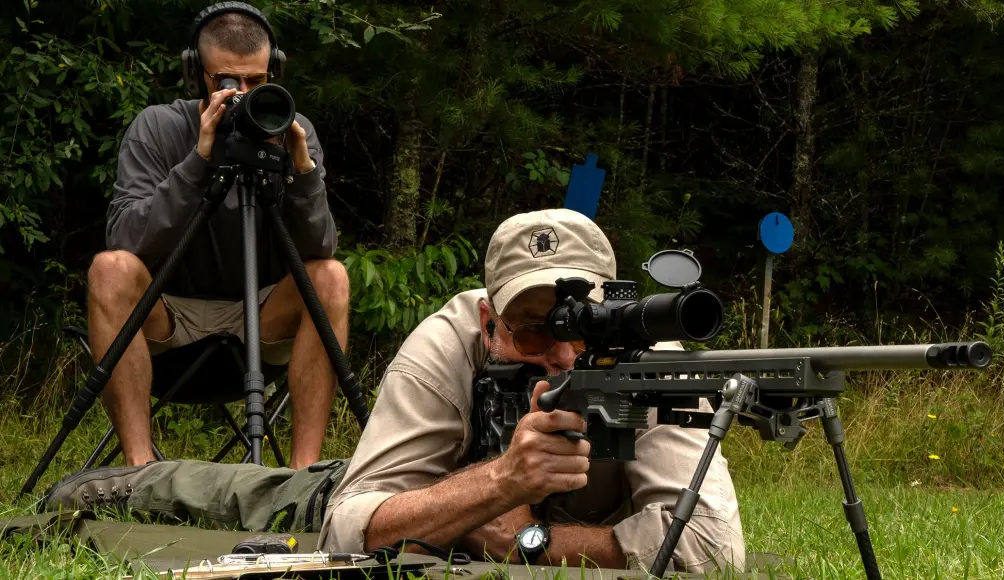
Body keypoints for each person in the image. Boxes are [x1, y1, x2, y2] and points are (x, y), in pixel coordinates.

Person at [45, 209, 745, 575]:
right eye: (532, 332)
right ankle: (104, 486)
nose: (559, 355)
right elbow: (349, 524)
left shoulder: (653, 362)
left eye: (580, 331)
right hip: (376, 489)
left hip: (454, 516)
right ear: (486, 320)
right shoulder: (445, 343)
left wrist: (528, 541)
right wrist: (499, 482)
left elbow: (711, 551)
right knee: (230, 494)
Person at [89, 3, 349, 470]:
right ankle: (140, 471)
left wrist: (302, 170)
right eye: (229, 82)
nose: (243, 96)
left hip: (262, 316)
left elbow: (320, 248)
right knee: (109, 270)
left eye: (257, 82)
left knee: (331, 277)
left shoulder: (293, 130)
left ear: (275, 72)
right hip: (169, 317)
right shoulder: (159, 127)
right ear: (198, 76)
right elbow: (124, 237)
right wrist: (198, 160)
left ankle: (300, 475)